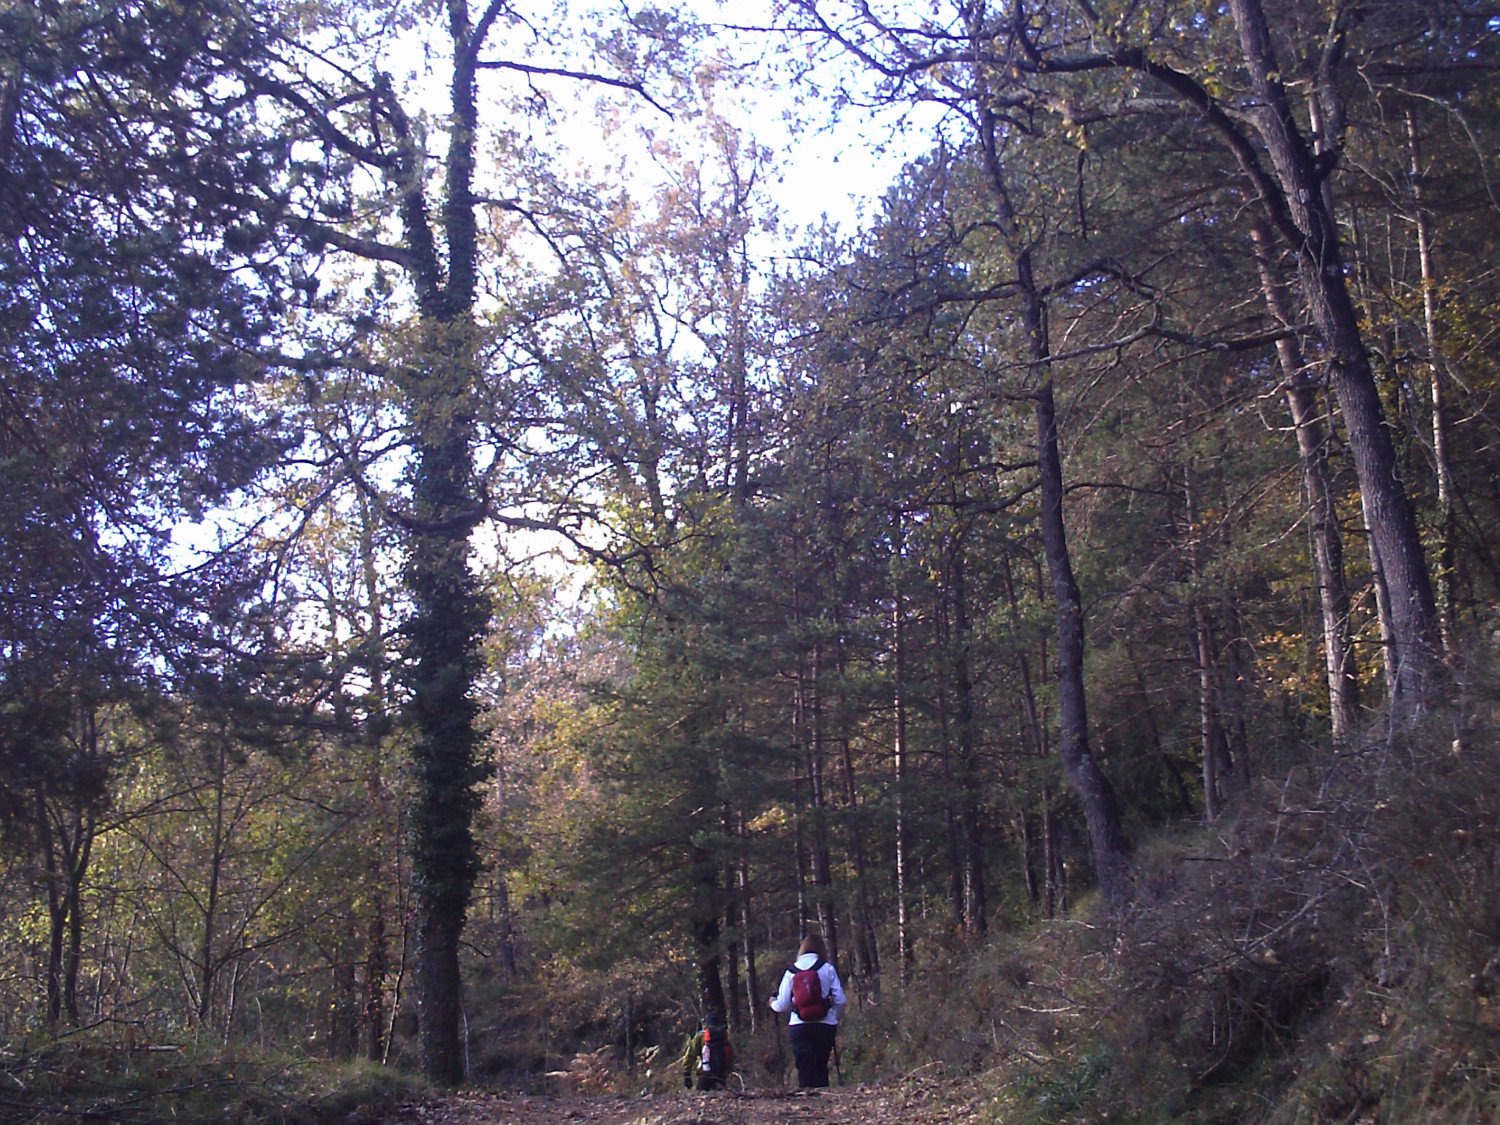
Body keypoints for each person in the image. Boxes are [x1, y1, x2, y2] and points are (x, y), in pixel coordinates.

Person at [768, 932, 846, 1088]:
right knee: (821, 1066)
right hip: (825, 1025)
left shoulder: (791, 972)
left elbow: (782, 1005)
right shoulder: (827, 968)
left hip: (799, 1026)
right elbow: (840, 1000)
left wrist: (772, 1003)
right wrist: (834, 1017)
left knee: (804, 1067)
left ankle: (806, 1102)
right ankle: (824, 1102)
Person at [679, 1008, 733, 1091]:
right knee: (721, 1098)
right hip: (721, 1074)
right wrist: (726, 1073)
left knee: (702, 1096)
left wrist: (687, 1073)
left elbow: (691, 1055)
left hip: (705, 1073)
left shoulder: (701, 1037)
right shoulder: (723, 1037)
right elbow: (730, 1057)